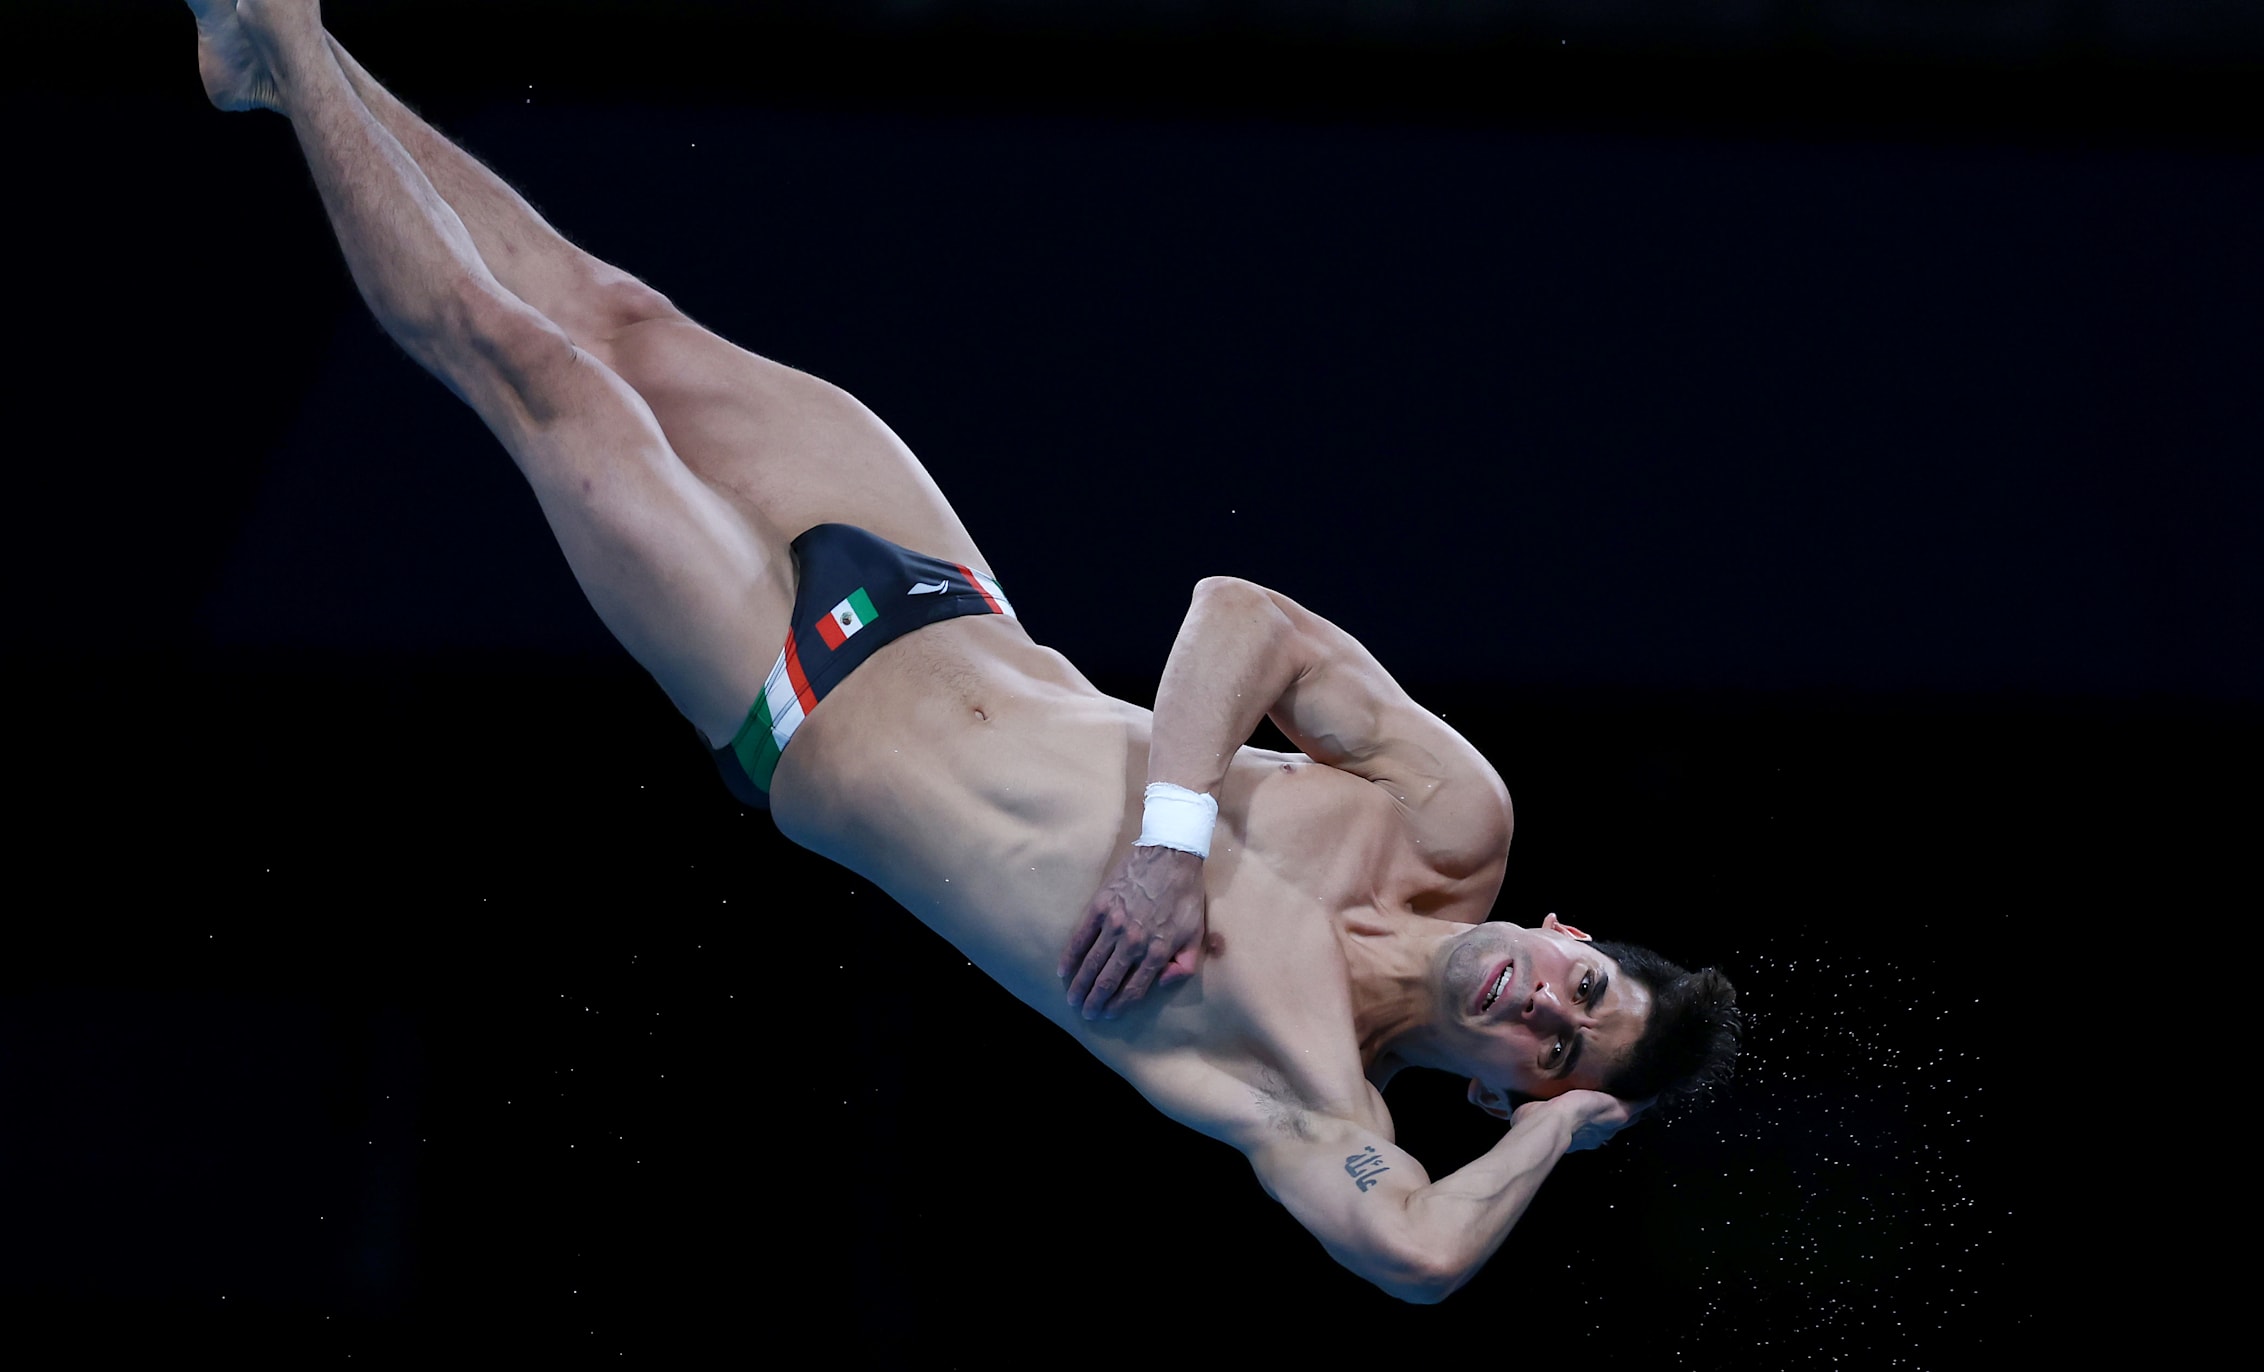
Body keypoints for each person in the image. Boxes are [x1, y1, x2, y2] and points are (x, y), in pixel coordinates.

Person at [189, 0, 1739, 1302]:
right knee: (617, 315)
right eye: (1581, 982)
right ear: (1565, 925)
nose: (1541, 1004)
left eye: (1550, 1050)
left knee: (533, 369)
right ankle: (280, 54)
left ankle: (288, 36)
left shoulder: (1299, 1083)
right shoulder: (1450, 822)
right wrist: (1172, 839)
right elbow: (1239, 615)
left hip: (782, 698)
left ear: (1498, 1089)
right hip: (941, 596)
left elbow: (1410, 1254)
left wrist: (1558, 1142)